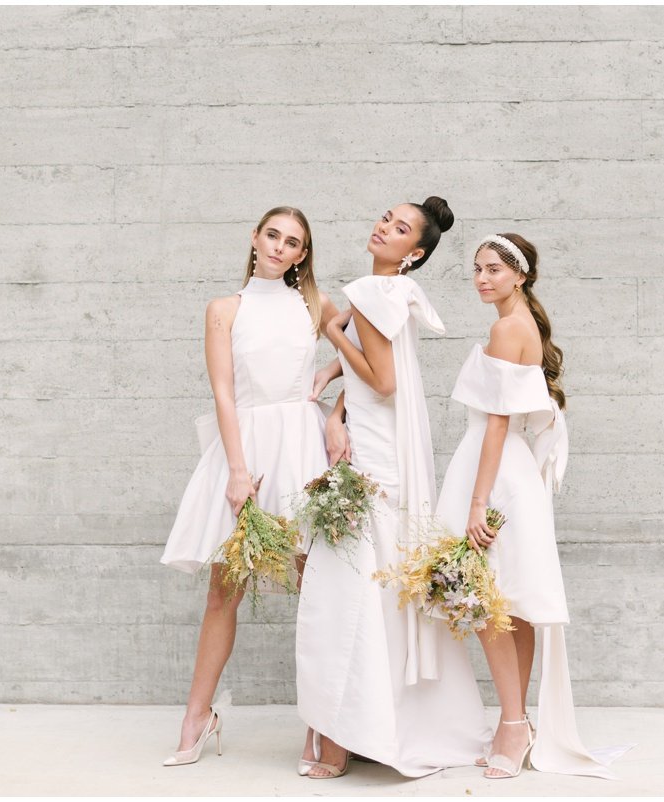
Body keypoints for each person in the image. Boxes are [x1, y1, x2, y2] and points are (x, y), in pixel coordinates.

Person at [295, 198, 491, 779]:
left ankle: (341, 739)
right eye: (386, 218)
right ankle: (366, 725)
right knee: (372, 593)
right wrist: (336, 407)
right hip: (378, 450)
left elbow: (381, 381)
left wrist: (333, 333)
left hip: (376, 465)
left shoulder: (373, 294)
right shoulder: (384, 294)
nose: (384, 227)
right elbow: (369, 374)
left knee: (348, 592)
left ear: (416, 254)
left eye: (400, 229)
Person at [160, 206, 338, 766]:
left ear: (302, 254)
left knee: (319, 589)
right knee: (223, 590)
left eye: (293, 242)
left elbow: (372, 360)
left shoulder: (317, 304)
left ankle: (324, 722)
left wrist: (331, 389)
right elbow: (223, 393)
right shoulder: (223, 309)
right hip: (247, 445)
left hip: (303, 446)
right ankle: (198, 716)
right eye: (273, 236)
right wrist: (238, 471)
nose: (281, 247)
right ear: (256, 239)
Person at [435, 233, 613, 779]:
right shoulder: (522, 325)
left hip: (495, 472)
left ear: (521, 275)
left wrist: (477, 502)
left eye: (494, 269)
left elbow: (496, 424)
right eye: (476, 269)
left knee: (493, 599)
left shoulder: (508, 328)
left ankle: (513, 725)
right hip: (507, 471)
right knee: (510, 601)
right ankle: (516, 721)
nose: (482, 278)